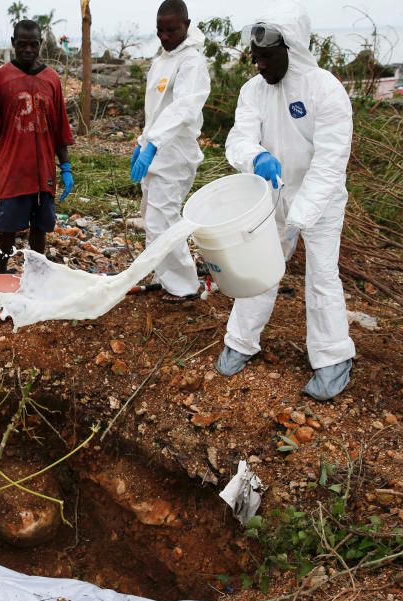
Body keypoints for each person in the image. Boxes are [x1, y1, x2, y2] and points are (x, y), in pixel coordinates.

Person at [217, 0, 355, 401]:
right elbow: (238, 139)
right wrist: (254, 156)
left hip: (321, 201)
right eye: (254, 57)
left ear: (290, 50)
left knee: (322, 276)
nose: (258, 65)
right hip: (272, 195)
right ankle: (240, 342)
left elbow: (331, 164)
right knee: (259, 268)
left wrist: (302, 213)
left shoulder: (325, 90)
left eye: (266, 57)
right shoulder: (253, 90)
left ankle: (332, 358)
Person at [0, 19, 75, 275]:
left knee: (41, 225)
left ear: (40, 44)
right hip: (13, 168)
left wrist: (65, 166)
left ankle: (37, 272)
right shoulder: (0, 78)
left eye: (33, 45)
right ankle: (1, 269)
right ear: (13, 43)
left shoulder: (51, 79)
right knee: (7, 224)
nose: (28, 50)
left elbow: (59, 128)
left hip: (43, 168)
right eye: (22, 44)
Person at [130, 0, 210, 302]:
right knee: (150, 214)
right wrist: (142, 144)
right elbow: (157, 111)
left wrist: (154, 144)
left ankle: (185, 285)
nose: (165, 36)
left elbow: (184, 109)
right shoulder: (163, 58)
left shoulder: (191, 62)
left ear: (186, 26)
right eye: (160, 31)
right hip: (156, 149)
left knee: (163, 219)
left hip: (175, 153)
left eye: (171, 30)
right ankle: (165, 274)